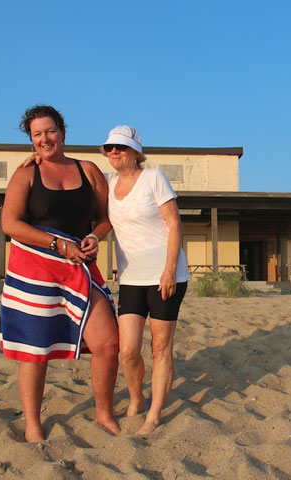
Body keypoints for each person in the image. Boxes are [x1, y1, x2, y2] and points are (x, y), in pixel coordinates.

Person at [0, 105, 120, 440]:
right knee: (35, 351)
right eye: (37, 134)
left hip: (80, 267)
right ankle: (34, 425)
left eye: (50, 131)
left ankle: (103, 413)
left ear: (63, 132)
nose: (44, 139)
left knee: (108, 342)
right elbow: (10, 224)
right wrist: (56, 244)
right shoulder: (25, 174)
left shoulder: (89, 170)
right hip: (35, 268)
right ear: (31, 140)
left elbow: (106, 216)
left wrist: (96, 236)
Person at [100, 125, 190, 435]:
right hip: (131, 278)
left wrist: (169, 270)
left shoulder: (154, 178)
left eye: (121, 147)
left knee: (160, 349)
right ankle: (136, 397)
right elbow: (76, 172)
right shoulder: (108, 184)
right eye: (110, 148)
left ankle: (153, 415)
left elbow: (174, 224)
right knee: (128, 349)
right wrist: (36, 160)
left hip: (166, 275)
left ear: (137, 152)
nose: (114, 152)